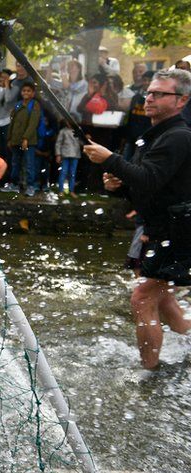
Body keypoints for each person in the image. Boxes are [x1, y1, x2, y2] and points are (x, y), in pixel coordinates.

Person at [82, 69, 191, 372]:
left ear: (181, 100)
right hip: (163, 227)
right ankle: (187, 344)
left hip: (178, 229)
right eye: (149, 91)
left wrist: (110, 159)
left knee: (142, 298)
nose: (150, 97)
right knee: (165, 298)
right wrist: (120, 183)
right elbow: (149, 185)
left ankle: (149, 371)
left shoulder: (178, 136)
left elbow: (151, 177)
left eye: (159, 93)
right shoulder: (157, 135)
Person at [7, 82, 43, 196]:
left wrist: (26, 138)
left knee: (29, 164)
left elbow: (33, 123)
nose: (26, 93)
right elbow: (12, 122)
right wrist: (10, 138)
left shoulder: (34, 105)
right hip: (15, 140)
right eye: (24, 91)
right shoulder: (18, 105)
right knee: (15, 163)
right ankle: (14, 184)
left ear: (33, 93)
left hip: (29, 141)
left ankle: (30, 186)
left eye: (28, 91)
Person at [54, 121, 82, 197]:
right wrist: (58, 154)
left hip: (75, 154)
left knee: (72, 173)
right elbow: (58, 143)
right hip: (65, 154)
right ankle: (61, 190)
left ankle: (71, 190)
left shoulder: (78, 130)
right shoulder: (63, 131)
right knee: (63, 172)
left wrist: (86, 138)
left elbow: (81, 142)